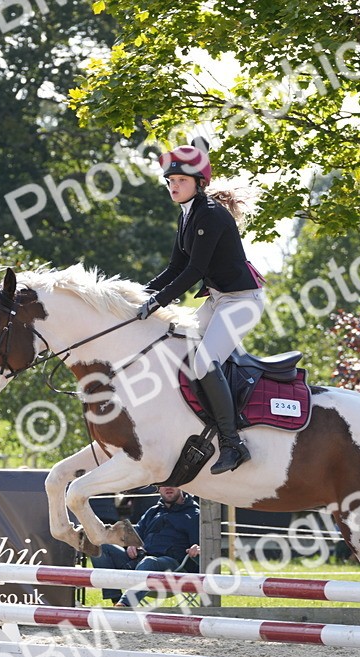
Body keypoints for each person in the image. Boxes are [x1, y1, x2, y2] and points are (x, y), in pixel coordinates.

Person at [135, 138, 266, 474]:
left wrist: (157, 301)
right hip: (218, 300)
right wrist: (137, 295)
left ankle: (232, 443)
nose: (174, 186)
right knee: (177, 344)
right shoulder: (187, 215)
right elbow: (174, 268)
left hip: (242, 302)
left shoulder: (209, 214)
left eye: (181, 180)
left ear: (199, 183)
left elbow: (194, 271)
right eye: (170, 181)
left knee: (205, 362)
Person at [89, 485, 201, 607]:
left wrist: (197, 550)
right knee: (100, 547)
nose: (168, 488)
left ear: (182, 486)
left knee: (149, 562)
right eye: (164, 485)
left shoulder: (194, 514)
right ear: (158, 488)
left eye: (173, 484)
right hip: (140, 562)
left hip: (173, 570)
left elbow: (200, 554)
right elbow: (135, 536)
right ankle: (116, 601)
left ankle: (125, 604)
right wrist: (131, 545)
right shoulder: (153, 511)